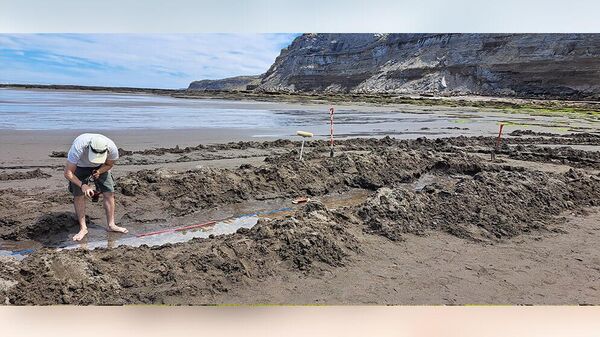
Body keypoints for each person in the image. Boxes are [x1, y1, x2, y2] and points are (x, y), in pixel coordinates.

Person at [63, 133, 128, 241]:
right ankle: (83, 228)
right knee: (79, 195)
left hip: (101, 166)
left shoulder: (112, 148)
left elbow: (109, 164)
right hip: (80, 165)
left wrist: (99, 171)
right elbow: (68, 173)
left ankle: (111, 225)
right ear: (88, 147)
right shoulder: (78, 147)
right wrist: (82, 185)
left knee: (109, 192)